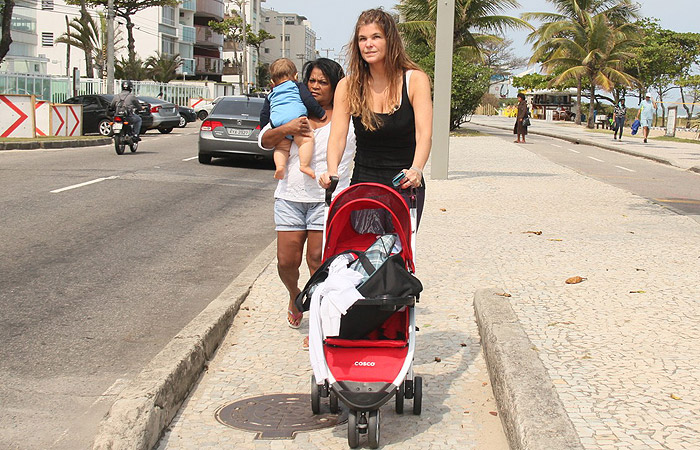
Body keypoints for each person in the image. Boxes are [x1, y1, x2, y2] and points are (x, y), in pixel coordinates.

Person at [258, 58, 355, 333]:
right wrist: (287, 130)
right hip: (290, 196)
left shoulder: (347, 115)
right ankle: (294, 295)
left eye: (323, 82)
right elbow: (264, 140)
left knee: (317, 261)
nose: (315, 87)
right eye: (311, 80)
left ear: (335, 85)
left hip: (328, 199)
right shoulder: (292, 109)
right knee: (286, 261)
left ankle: (318, 325)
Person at [318, 8, 433, 224]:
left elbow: (424, 134)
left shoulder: (415, 80)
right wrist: (331, 171)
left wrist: (417, 169)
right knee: (361, 251)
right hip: (364, 181)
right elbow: (337, 136)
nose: (368, 44)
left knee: (397, 253)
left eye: (375, 37)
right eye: (362, 39)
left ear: (390, 41)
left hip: (404, 183)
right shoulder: (348, 85)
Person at [260, 58, 327, 180]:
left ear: (272, 81)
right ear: (296, 76)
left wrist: (265, 126)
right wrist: (320, 113)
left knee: (281, 147)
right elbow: (308, 101)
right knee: (306, 140)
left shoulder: (271, 93)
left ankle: (280, 166)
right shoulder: (297, 86)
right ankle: (304, 165)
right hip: (297, 119)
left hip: (277, 122)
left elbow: (264, 113)